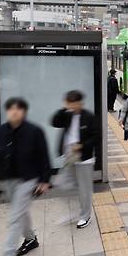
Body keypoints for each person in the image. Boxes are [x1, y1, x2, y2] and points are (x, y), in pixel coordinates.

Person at [0, 98, 51, 256]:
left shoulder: (34, 131)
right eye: (11, 109)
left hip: (28, 180)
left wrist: (45, 180)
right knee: (22, 212)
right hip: (9, 181)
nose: (14, 112)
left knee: (15, 218)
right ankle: (31, 239)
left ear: (24, 112)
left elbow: (44, 157)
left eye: (18, 109)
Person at [51, 90, 99, 229]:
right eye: (69, 103)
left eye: (73, 103)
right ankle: (78, 211)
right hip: (69, 157)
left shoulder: (88, 117)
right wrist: (63, 109)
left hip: (84, 158)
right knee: (63, 184)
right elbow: (54, 122)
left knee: (85, 189)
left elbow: (96, 137)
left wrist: (82, 145)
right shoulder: (67, 115)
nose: (71, 106)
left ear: (80, 103)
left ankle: (85, 216)